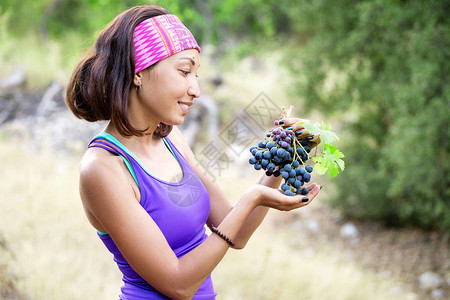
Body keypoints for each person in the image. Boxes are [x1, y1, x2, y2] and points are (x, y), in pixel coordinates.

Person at [65, 4, 321, 300]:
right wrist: (252, 198)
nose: (196, 90)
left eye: (196, 75)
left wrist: (286, 152)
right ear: (139, 72)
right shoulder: (103, 168)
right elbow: (178, 284)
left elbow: (235, 231)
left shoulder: (173, 139)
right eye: (185, 71)